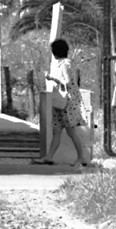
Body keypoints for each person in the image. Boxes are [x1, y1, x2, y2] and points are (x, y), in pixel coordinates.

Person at [33, 38, 90, 167]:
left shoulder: (65, 64)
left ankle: (81, 157)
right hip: (60, 101)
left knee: (71, 132)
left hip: (67, 102)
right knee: (57, 130)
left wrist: (53, 78)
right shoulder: (60, 64)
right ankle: (49, 156)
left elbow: (67, 82)